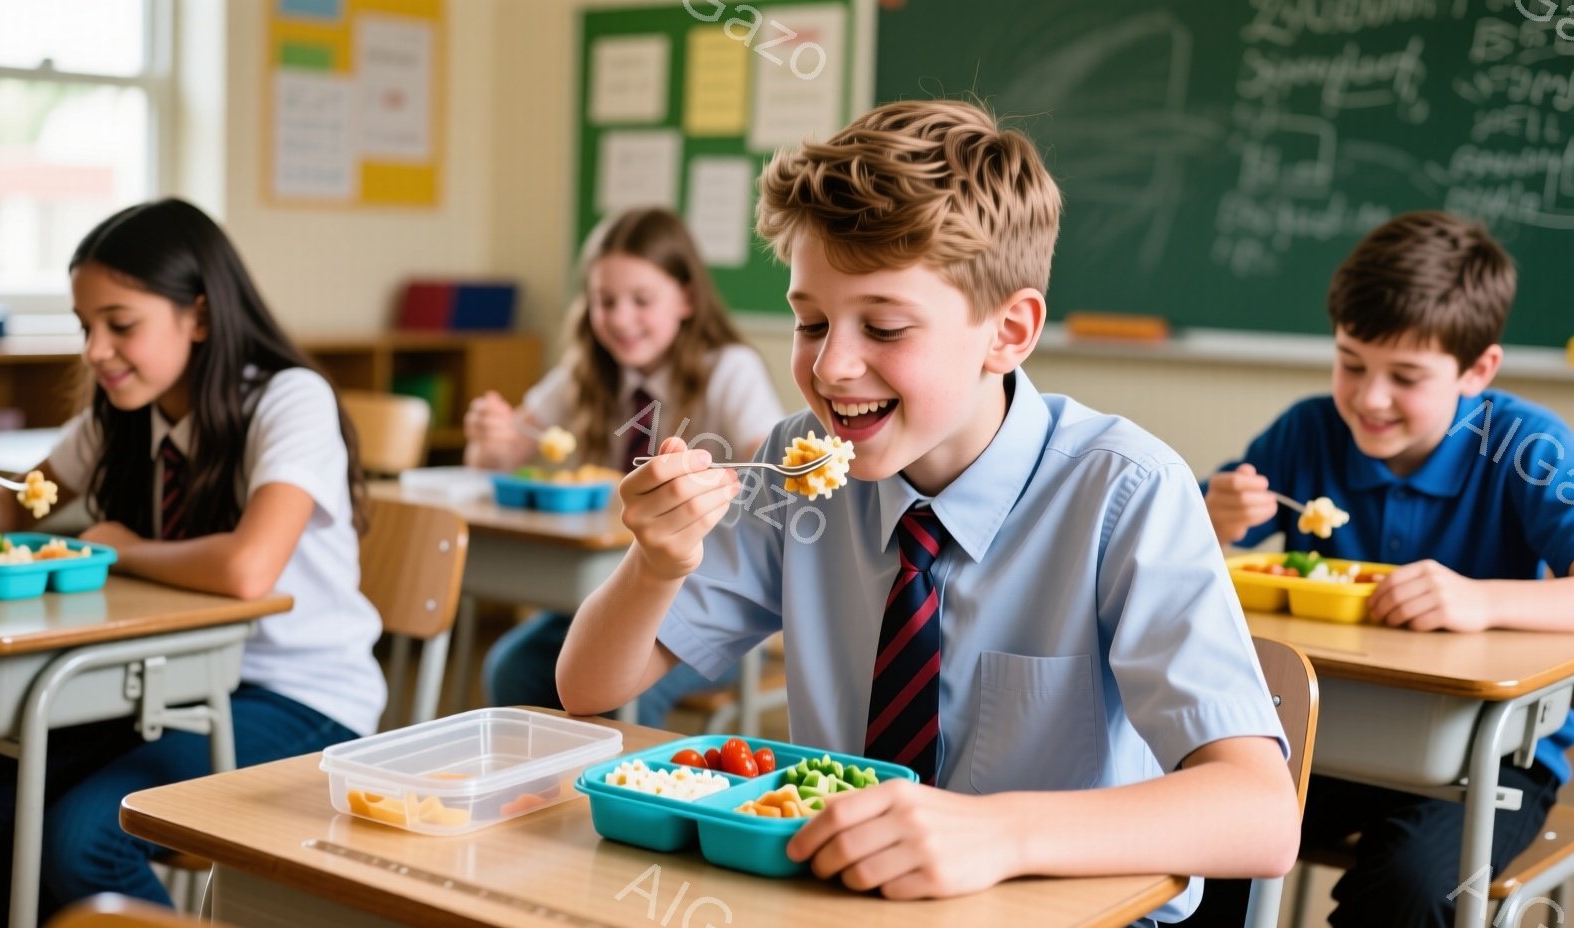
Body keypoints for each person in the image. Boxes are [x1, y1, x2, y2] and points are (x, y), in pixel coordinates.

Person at [555, 100, 1298, 921]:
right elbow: (589, 685)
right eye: (811, 322)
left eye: (884, 326)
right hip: (844, 901)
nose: (834, 365)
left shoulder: (1125, 493)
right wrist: (655, 565)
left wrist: (998, 834)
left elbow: (1261, 816)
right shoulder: (797, 469)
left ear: (1007, 332)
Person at [0, 198, 384, 924]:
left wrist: (123, 548)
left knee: (83, 842)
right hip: (159, 686)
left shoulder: (289, 400)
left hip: (298, 696)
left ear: (198, 316)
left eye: (120, 325)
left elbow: (247, 570)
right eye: (85, 327)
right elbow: (20, 513)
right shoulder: (124, 411)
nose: (94, 350)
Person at [1193, 210, 1574, 927]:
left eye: (1406, 376)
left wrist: (1482, 601)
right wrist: (1214, 519)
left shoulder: (1529, 448)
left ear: (1477, 370)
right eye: (1351, 362)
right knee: (1210, 838)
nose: (1369, 398)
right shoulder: (1309, 431)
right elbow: (1181, 557)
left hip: (1487, 763)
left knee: (1412, 888)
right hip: (1325, 737)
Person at [465, 206, 782, 727]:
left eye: (642, 300)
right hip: (608, 591)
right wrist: (490, 436)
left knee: (621, 698)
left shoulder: (728, 370)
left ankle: (622, 795)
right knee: (512, 670)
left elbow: (767, 471)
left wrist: (721, 481)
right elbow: (497, 458)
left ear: (685, 298)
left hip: (702, 600)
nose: (621, 318)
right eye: (604, 301)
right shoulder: (587, 373)